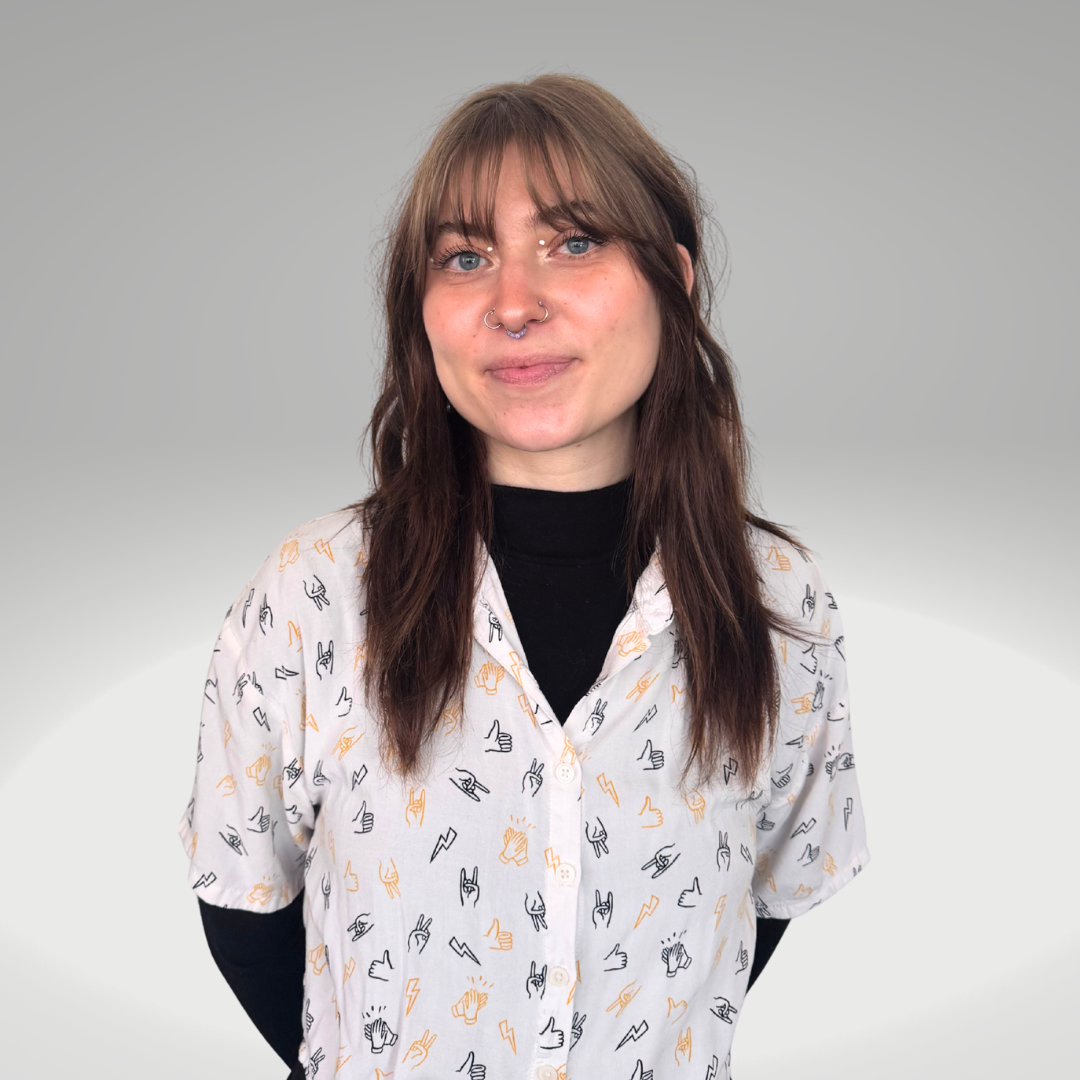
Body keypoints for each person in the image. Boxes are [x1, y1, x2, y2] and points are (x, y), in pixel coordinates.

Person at [178, 73, 870, 1080]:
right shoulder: (314, 594)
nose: (513, 303)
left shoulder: (778, 603)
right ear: (421, 312)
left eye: (573, 243)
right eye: (466, 257)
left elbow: (746, 923)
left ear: (673, 279)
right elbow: (246, 917)